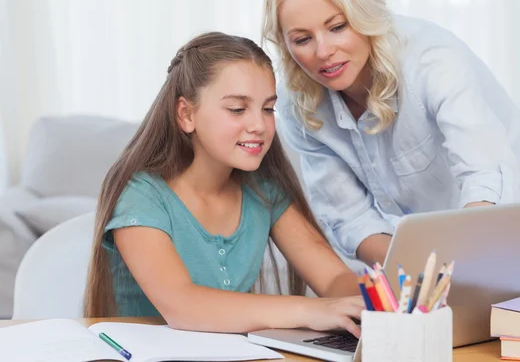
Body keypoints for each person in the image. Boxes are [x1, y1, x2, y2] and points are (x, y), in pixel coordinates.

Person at [262, 0, 520, 267]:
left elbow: (488, 178)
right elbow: (350, 218)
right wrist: (418, 270)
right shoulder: (298, 104)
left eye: (337, 27)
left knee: (498, 307)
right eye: (302, 39)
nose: (323, 52)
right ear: (285, 45)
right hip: (424, 229)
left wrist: (460, 270)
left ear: (364, 16)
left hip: (507, 197)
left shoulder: (431, 62)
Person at [84, 32, 364, 337]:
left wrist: (364, 304)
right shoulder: (142, 196)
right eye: (237, 109)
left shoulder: (264, 191)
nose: (259, 125)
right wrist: (311, 310)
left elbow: (334, 277)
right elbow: (183, 306)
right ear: (186, 114)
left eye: (268, 109)